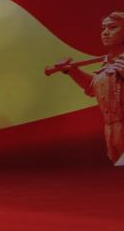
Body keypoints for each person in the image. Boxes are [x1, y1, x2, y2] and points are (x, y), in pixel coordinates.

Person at [53, 12, 124, 165]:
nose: (105, 32)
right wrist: (72, 71)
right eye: (103, 28)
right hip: (111, 130)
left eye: (112, 27)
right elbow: (93, 88)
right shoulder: (108, 63)